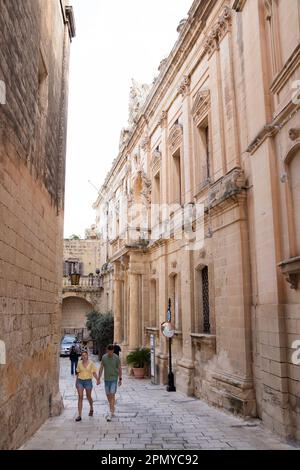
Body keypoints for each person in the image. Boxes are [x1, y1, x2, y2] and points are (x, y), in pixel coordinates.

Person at [98, 344, 122, 422]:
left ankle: (110, 412)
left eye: (111, 351)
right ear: (107, 350)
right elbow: (101, 367)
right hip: (106, 379)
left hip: (114, 378)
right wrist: (98, 378)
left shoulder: (116, 358)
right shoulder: (104, 357)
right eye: (109, 351)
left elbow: (119, 368)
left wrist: (120, 379)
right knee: (108, 395)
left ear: (113, 351)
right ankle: (112, 406)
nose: (110, 353)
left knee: (112, 394)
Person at [75, 350, 98, 422]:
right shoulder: (79, 363)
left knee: (88, 396)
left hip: (88, 381)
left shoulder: (91, 363)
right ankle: (79, 415)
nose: (84, 356)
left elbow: (94, 373)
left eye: (85, 355)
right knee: (80, 397)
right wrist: (76, 382)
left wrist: (97, 379)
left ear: (87, 355)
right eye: (83, 355)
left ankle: (91, 407)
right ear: (81, 356)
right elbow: (77, 373)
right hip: (80, 381)